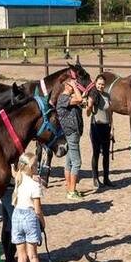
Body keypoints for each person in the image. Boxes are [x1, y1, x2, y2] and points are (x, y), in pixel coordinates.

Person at [10, 153, 45, 262]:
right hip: (30, 217)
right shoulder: (35, 185)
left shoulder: (18, 178)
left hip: (17, 216)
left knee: (21, 257)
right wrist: (42, 223)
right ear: (31, 167)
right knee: (33, 256)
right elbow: (37, 210)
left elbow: (14, 170)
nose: (38, 168)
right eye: (36, 165)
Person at [56, 71, 85, 200]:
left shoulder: (67, 98)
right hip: (71, 133)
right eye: (73, 82)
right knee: (77, 162)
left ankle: (69, 188)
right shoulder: (63, 98)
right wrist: (75, 87)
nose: (76, 84)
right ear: (67, 84)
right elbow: (79, 99)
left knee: (69, 162)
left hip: (72, 133)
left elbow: (80, 101)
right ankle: (71, 191)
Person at [88, 74, 113, 190]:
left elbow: (110, 113)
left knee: (106, 154)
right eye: (99, 84)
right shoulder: (93, 94)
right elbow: (88, 112)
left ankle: (106, 178)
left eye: (103, 84)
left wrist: (112, 128)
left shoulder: (107, 96)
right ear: (95, 84)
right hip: (96, 126)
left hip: (106, 126)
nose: (101, 86)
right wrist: (89, 107)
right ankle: (95, 178)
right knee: (96, 152)